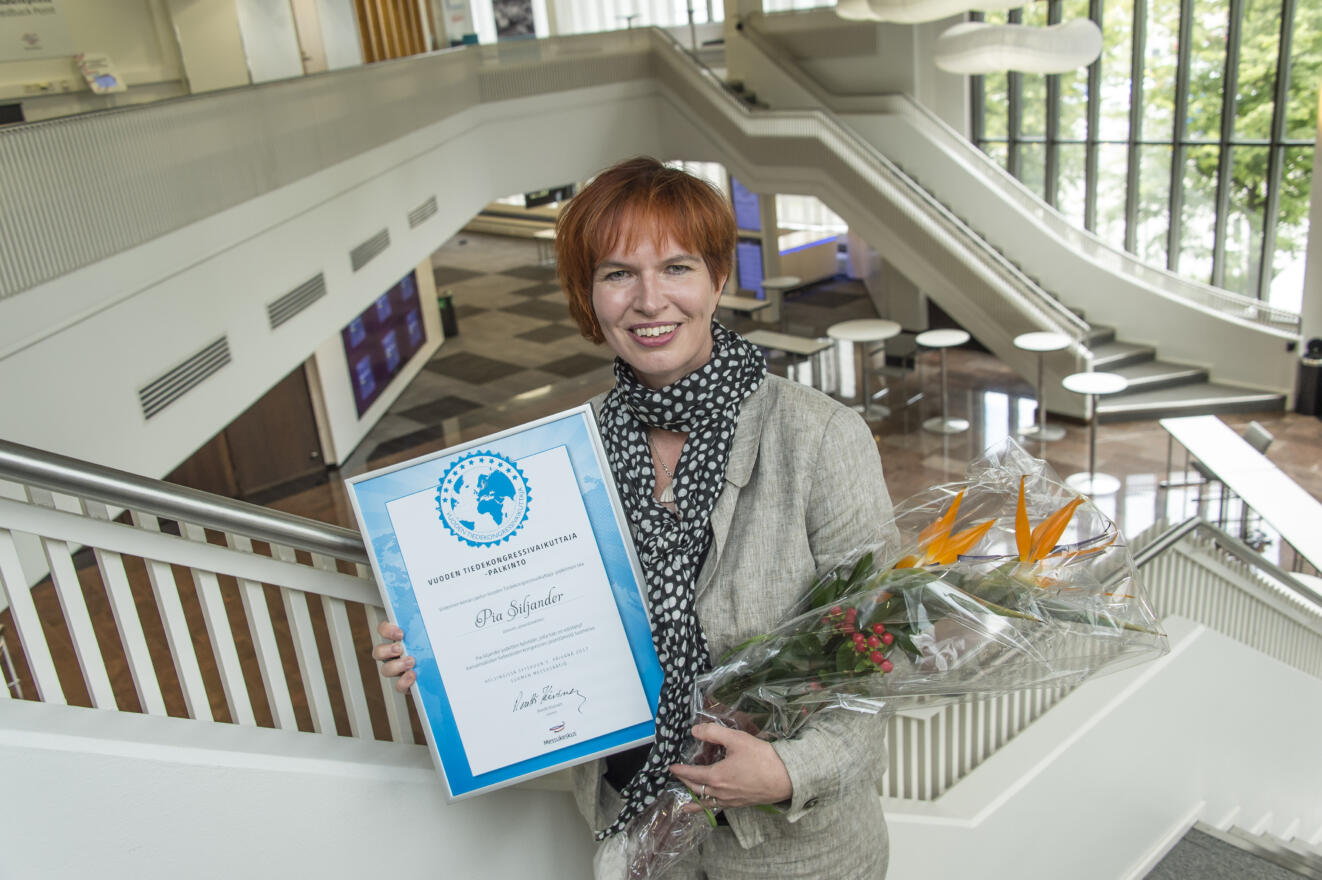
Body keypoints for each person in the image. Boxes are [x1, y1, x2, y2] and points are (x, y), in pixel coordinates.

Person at [373, 157, 899, 878]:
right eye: (618, 274)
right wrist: (443, 651)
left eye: (677, 268)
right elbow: (533, 617)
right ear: (589, 297)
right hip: (639, 839)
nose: (650, 301)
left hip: (797, 852)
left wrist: (789, 770)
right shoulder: (562, 457)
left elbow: (883, 648)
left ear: (718, 279)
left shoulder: (820, 437)